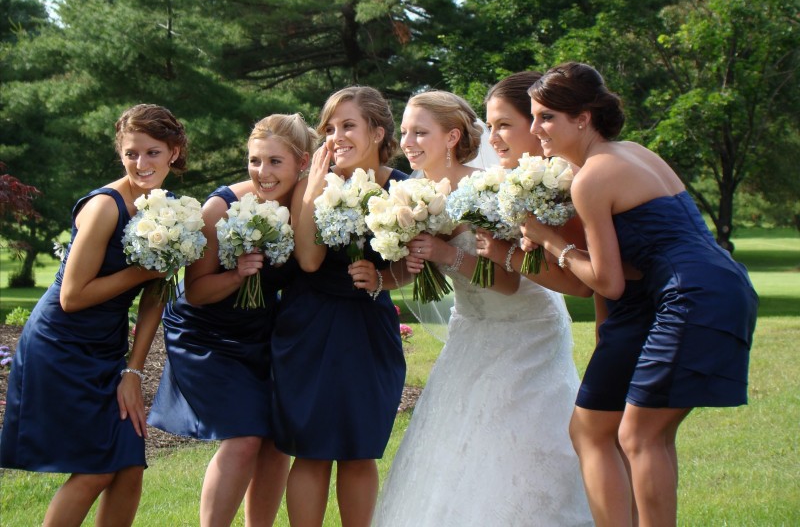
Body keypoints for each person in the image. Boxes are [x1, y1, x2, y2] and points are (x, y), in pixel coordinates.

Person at [520, 62, 758, 527]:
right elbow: (646, 253)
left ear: (583, 118)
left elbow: (607, 282)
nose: (535, 129)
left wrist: (547, 239)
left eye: (546, 117)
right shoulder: (633, 152)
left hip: (691, 295)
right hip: (724, 283)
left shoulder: (592, 179)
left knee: (638, 436)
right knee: (648, 435)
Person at [373, 89, 593, 526]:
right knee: (458, 439)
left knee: (521, 440)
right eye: (404, 132)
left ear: (452, 136)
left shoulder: (485, 189)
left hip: (523, 325)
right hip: (470, 328)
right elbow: (425, 266)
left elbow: (510, 281)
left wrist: (442, 254)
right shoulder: (411, 194)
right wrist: (406, 261)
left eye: (420, 132)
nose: (409, 142)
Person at [0, 104, 187, 526]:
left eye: (153, 153)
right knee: (98, 466)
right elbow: (72, 296)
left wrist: (134, 373)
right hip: (60, 345)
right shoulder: (105, 206)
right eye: (131, 153)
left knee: (129, 462)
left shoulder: (171, 210)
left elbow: (157, 293)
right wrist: (142, 270)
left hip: (106, 346)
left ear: (174, 152)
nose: (141, 164)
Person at [147, 114, 315, 527]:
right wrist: (237, 273)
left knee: (276, 441)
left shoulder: (306, 209)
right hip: (205, 332)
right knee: (243, 440)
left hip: (261, 332)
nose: (263, 172)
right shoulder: (219, 208)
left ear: (302, 163)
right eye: (255, 160)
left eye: (275, 162)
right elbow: (198, 291)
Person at [271, 86, 408, 527]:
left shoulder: (403, 188)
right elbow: (308, 260)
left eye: (348, 125)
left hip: (370, 327)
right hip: (310, 324)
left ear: (377, 131)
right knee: (311, 451)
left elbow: (416, 267)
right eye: (329, 127)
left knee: (359, 448)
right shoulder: (313, 184)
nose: (336, 136)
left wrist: (384, 278)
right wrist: (312, 189)